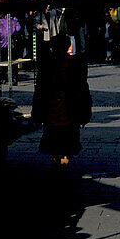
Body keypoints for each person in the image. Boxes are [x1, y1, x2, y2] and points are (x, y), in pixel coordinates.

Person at [31, 33, 91, 170]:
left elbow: (39, 89)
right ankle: (64, 160)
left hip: (55, 107)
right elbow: (83, 88)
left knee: (53, 135)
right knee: (67, 135)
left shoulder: (47, 64)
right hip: (68, 107)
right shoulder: (75, 63)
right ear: (68, 46)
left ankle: (57, 159)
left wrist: (37, 111)